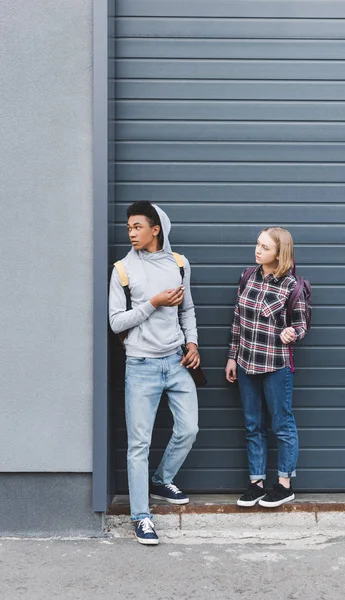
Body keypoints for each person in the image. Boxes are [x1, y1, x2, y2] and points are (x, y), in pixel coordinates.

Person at [109, 202, 200, 545]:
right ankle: (141, 516)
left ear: (156, 229)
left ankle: (161, 480)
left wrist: (192, 343)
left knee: (189, 428)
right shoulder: (122, 270)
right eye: (129, 227)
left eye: (137, 226)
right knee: (139, 444)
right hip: (142, 365)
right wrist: (154, 303)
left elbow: (188, 309)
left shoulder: (179, 264)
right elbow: (116, 321)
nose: (131, 232)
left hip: (177, 361)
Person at [225, 227, 308, 508]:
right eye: (257, 245)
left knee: (282, 424)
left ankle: (284, 484)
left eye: (265, 247)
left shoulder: (292, 286)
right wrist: (232, 356)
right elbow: (238, 319)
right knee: (253, 425)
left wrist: (292, 333)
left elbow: (301, 324)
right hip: (247, 363)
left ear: (279, 253)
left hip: (276, 365)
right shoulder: (248, 277)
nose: (258, 250)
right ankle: (256, 483)